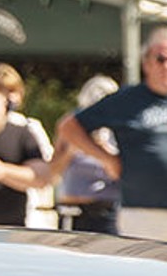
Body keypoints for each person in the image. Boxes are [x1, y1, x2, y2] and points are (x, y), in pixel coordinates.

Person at [57, 29, 167, 247]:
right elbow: (69, 127)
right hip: (140, 212)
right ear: (146, 63)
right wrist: (107, 158)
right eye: (160, 59)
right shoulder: (126, 100)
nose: (166, 66)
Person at [49, 74, 122, 233]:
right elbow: (52, 172)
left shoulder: (118, 127)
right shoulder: (70, 126)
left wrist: (102, 151)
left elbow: (121, 172)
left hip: (107, 211)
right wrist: (74, 147)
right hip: (72, 210)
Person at [0, 68, 51, 226]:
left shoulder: (21, 134)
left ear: (5, 105)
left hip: (9, 233)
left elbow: (41, 177)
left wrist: (2, 171)